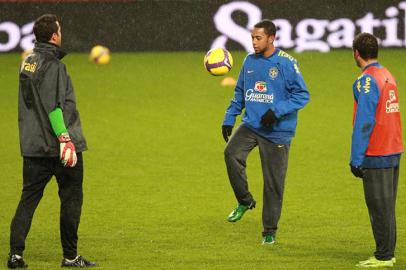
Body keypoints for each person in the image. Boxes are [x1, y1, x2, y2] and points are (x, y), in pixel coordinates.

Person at [7, 14, 96, 268]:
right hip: (60, 147)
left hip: (33, 145)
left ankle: (16, 254)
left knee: (28, 199)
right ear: (55, 36)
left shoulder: (28, 63)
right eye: (60, 30)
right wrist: (65, 139)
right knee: (71, 199)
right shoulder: (55, 67)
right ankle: (70, 257)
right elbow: (54, 107)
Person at [222, 19, 310, 244]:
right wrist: (229, 119)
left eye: (258, 38)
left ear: (271, 38)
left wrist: (277, 111)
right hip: (251, 125)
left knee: (273, 183)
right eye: (252, 37)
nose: (253, 42)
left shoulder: (286, 63)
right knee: (231, 154)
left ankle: (269, 231)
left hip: (277, 131)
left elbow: (302, 95)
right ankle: (244, 200)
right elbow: (240, 92)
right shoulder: (249, 61)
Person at [350, 33, 403, 268]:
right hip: (393, 147)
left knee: (379, 207)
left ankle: (384, 256)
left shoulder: (367, 80)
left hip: (377, 152)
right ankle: (388, 251)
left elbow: (364, 121)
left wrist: (356, 158)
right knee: (387, 206)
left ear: (356, 54)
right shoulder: (387, 74)